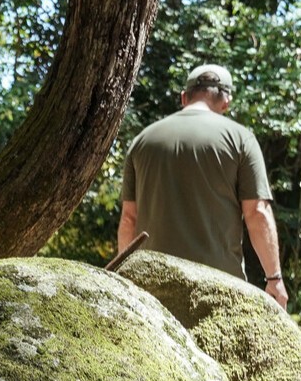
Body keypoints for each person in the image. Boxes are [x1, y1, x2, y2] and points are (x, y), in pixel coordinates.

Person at [117, 63, 287, 309]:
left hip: (152, 291)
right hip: (218, 290)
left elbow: (128, 220)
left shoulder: (142, 141)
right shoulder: (240, 139)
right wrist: (274, 279)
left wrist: (125, 280)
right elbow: (257, 211)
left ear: (184, 97)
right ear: (226, 102)